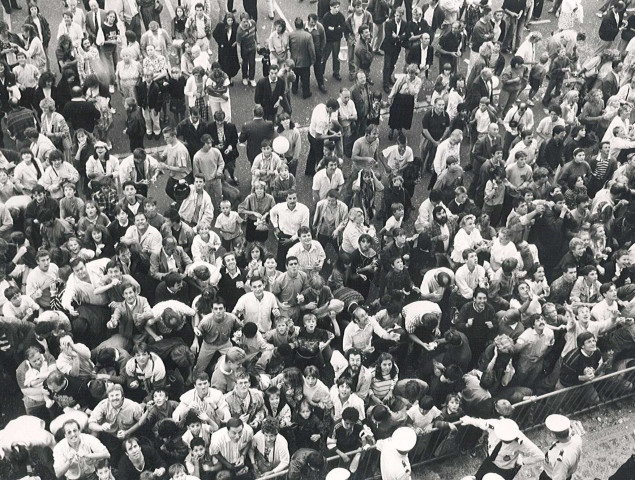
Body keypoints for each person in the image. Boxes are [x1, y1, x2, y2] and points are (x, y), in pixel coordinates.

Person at [540, 414, 583, 480]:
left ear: (553, 435)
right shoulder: (577, 438)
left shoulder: (559, 458)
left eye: (549, 432)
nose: (548, 433)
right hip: (566, 472)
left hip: (550, 476)